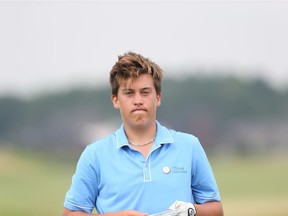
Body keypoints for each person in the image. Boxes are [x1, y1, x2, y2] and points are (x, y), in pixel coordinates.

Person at [63, 52, 224, 216]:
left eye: (145, 92)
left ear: (158, 97)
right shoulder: (94, 155)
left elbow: (216, 210)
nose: (138, 100)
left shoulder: (189, 146)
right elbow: (71, 213)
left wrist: (191, 210)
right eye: (129, 93)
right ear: (115, 100)